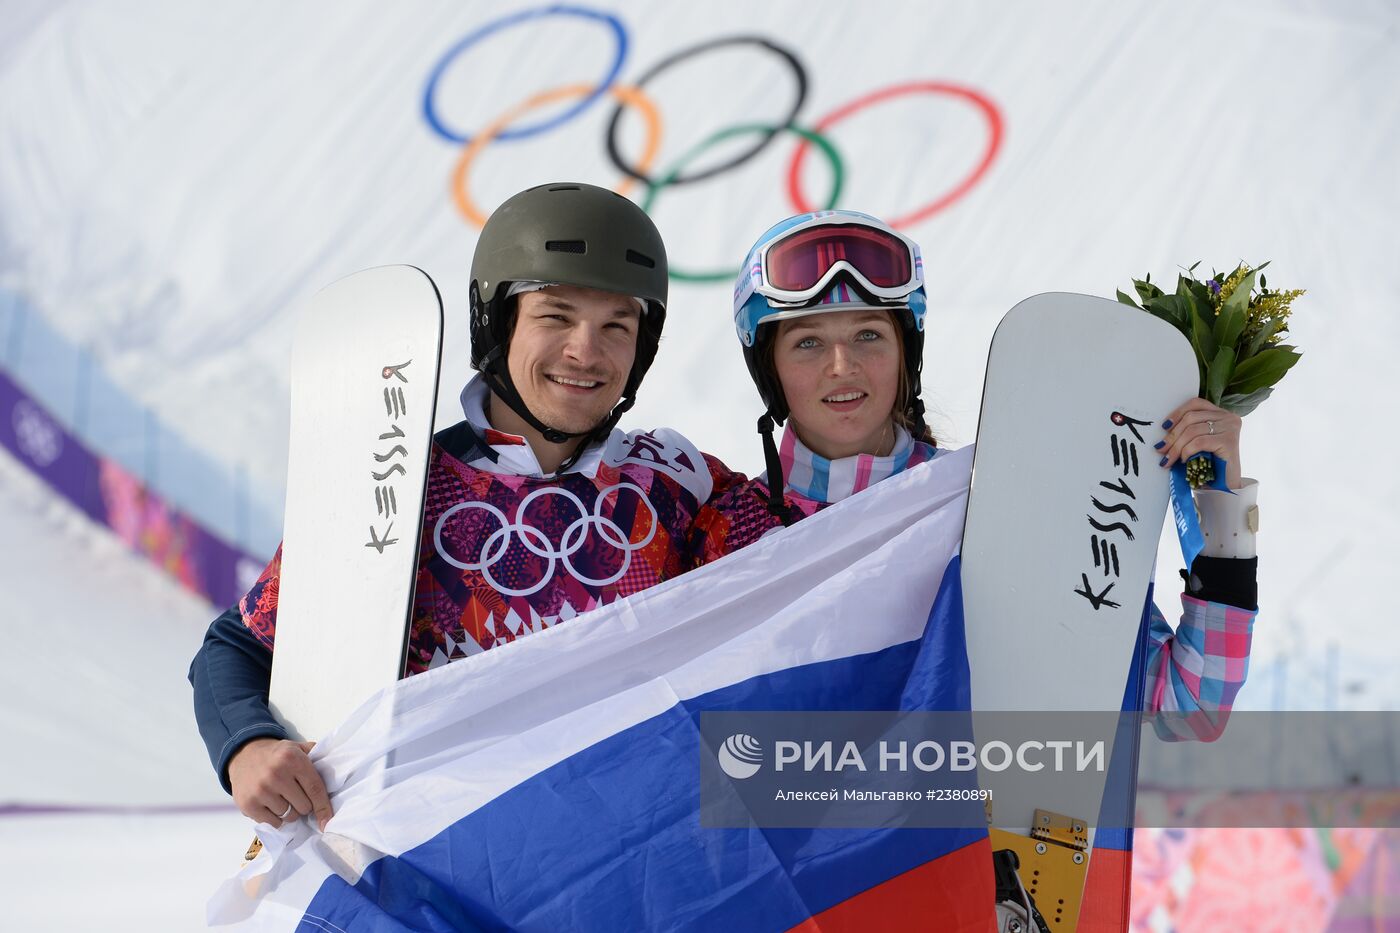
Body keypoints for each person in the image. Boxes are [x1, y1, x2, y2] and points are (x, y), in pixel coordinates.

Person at [189, 183, 741, 831]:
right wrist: (248, 745)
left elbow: (816, 557)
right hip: (435, 858)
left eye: (616, 326)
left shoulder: (676, 485)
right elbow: (237, 645)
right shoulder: (398, 484)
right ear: (497, 321)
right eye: (556, 316)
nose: (586, 351)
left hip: (617, 854)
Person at [690, 210, 1260, 730]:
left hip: (967, 839)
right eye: (808, 342)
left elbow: (1187, 712)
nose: (843, 367)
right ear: (770, 370)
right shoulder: (727, 533)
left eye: (869, 334)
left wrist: (1220, 513)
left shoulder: (999, 504)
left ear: (905, 353)